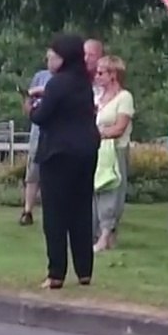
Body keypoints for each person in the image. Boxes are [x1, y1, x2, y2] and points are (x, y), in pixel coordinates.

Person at [29, 34, 101, 290]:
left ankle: (56, 272)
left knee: (56, 214)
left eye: (54, 55)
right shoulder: (84, 83)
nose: (50, 59)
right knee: (81, 210)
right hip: (86, 151)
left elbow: (42, 116)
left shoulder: (57, 84)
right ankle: (84, 271)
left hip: (59, 154)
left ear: (64, 58)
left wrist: (30, 107)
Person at [92, 55, 134, 252]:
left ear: (113, 75)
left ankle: (106, 234)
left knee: (112, 191)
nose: (97, 76)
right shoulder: (97, 97)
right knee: (96, 191)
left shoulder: (124, 98)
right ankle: (101, 235)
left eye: (101, 72)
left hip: (115, 150)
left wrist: (98, 133)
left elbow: (119, 127)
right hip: (97, 151)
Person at [19, 49, 61, 226]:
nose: (48, 62)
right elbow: (28, 103)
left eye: (52, 58)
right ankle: (27, 211)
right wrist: (28, 102)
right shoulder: (40, 76)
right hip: (37, 133)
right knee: (33, 174)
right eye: (47, 58)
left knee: (56, 175)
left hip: (57, 135)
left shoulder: (65, 80)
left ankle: (56, 212)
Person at [84, 38, 105, 103]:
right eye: (84, 54)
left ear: (100, 57)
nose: (86, 59)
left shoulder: (107, 81)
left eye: (91, 55)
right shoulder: (75, 78)